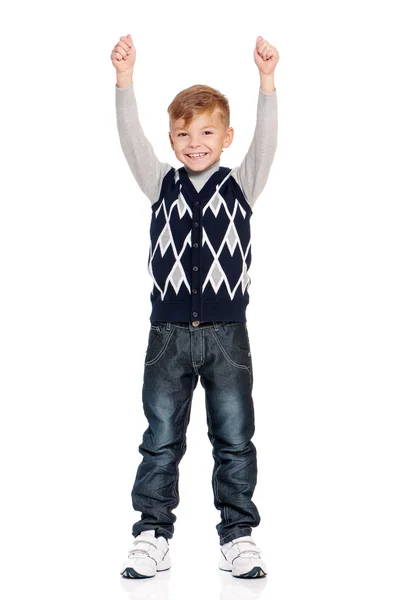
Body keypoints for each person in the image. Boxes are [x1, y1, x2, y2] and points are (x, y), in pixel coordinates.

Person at [110, 33, 279, 579]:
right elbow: (131, 138)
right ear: (172, 138)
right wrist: (124, 81)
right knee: (160, 439)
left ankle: (238, 535)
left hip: (228, 337)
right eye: (183, 133)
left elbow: (268, 142)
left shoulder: (241, 186)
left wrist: (267, 83)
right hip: (168, 337)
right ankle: (153, 532)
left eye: (207, 131)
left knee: (234, 439)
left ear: (227, 136)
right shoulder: (161, 184)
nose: (195, 141)